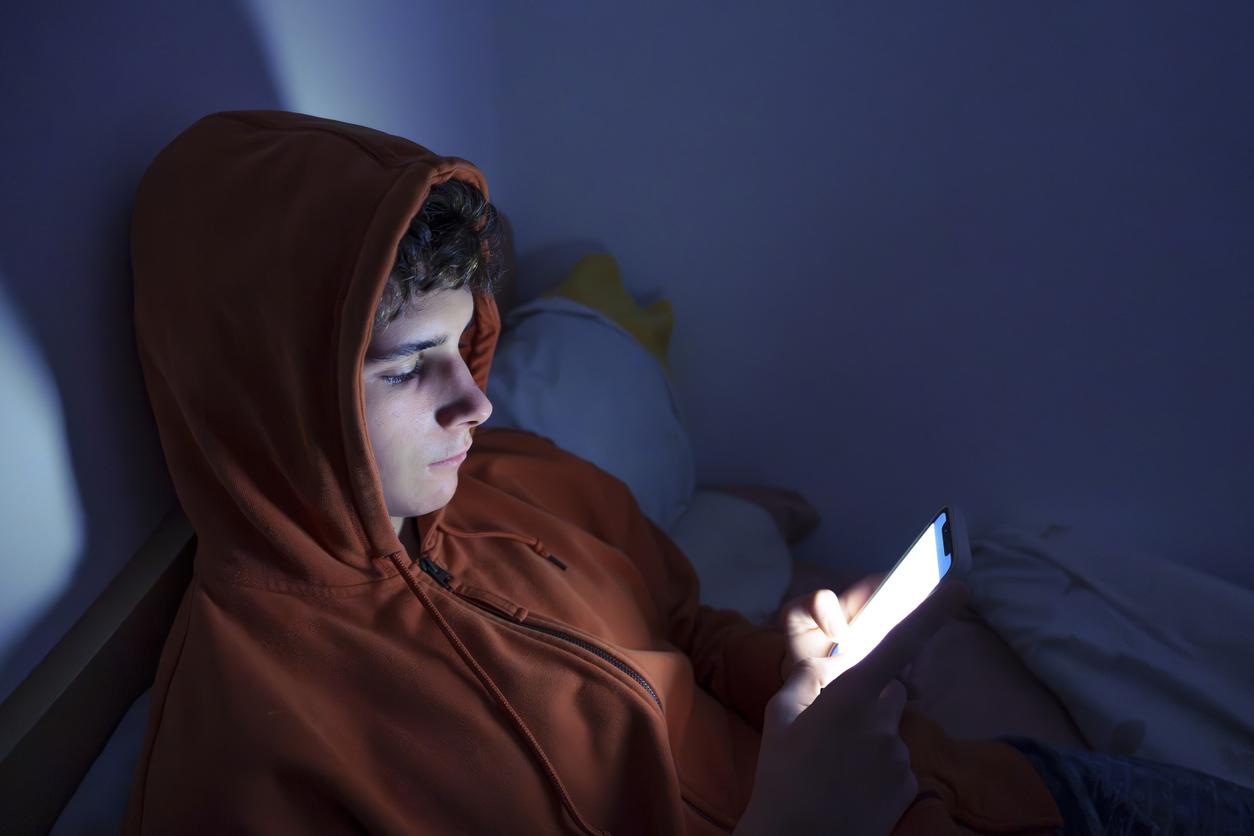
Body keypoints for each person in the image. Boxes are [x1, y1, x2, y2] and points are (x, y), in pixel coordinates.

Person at [124, 110, 1251, 835]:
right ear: (269, 388)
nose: (475, 401)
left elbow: (687, 625)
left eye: (465, 344)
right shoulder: (247, 758)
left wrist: (802, 675)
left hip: (1011, 791)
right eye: (410, 366)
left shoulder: (515, 477)